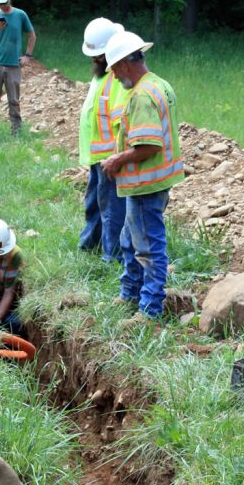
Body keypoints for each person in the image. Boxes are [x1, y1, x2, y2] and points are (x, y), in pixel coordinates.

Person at [100, 31, 184, 329]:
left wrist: (116, 159)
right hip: (150, 183)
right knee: (128, 240)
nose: (113, 75)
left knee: (148, 247)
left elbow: (149, 145)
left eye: (113, 68)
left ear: (124, 64)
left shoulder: (141, 96)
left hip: (147, 184)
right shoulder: (159, 84)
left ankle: (149, 309)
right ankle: (130, 293)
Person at [77, 17, 129, 262]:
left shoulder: (116, 78)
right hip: (97, 155)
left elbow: (121, 122)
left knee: (112, 210)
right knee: (95, 204)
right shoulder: (101, 74)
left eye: (97, 56)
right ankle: (89, 245)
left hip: (110, 157)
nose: (94, 60)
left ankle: (113, 256)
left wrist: (117, 157)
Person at [0, 0, 36, 139]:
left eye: (4, 3)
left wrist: (27, 56)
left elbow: (32, 35)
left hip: (13, 65)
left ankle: (17, 133)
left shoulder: (20, 15)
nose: (2, 6)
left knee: (14, 100)